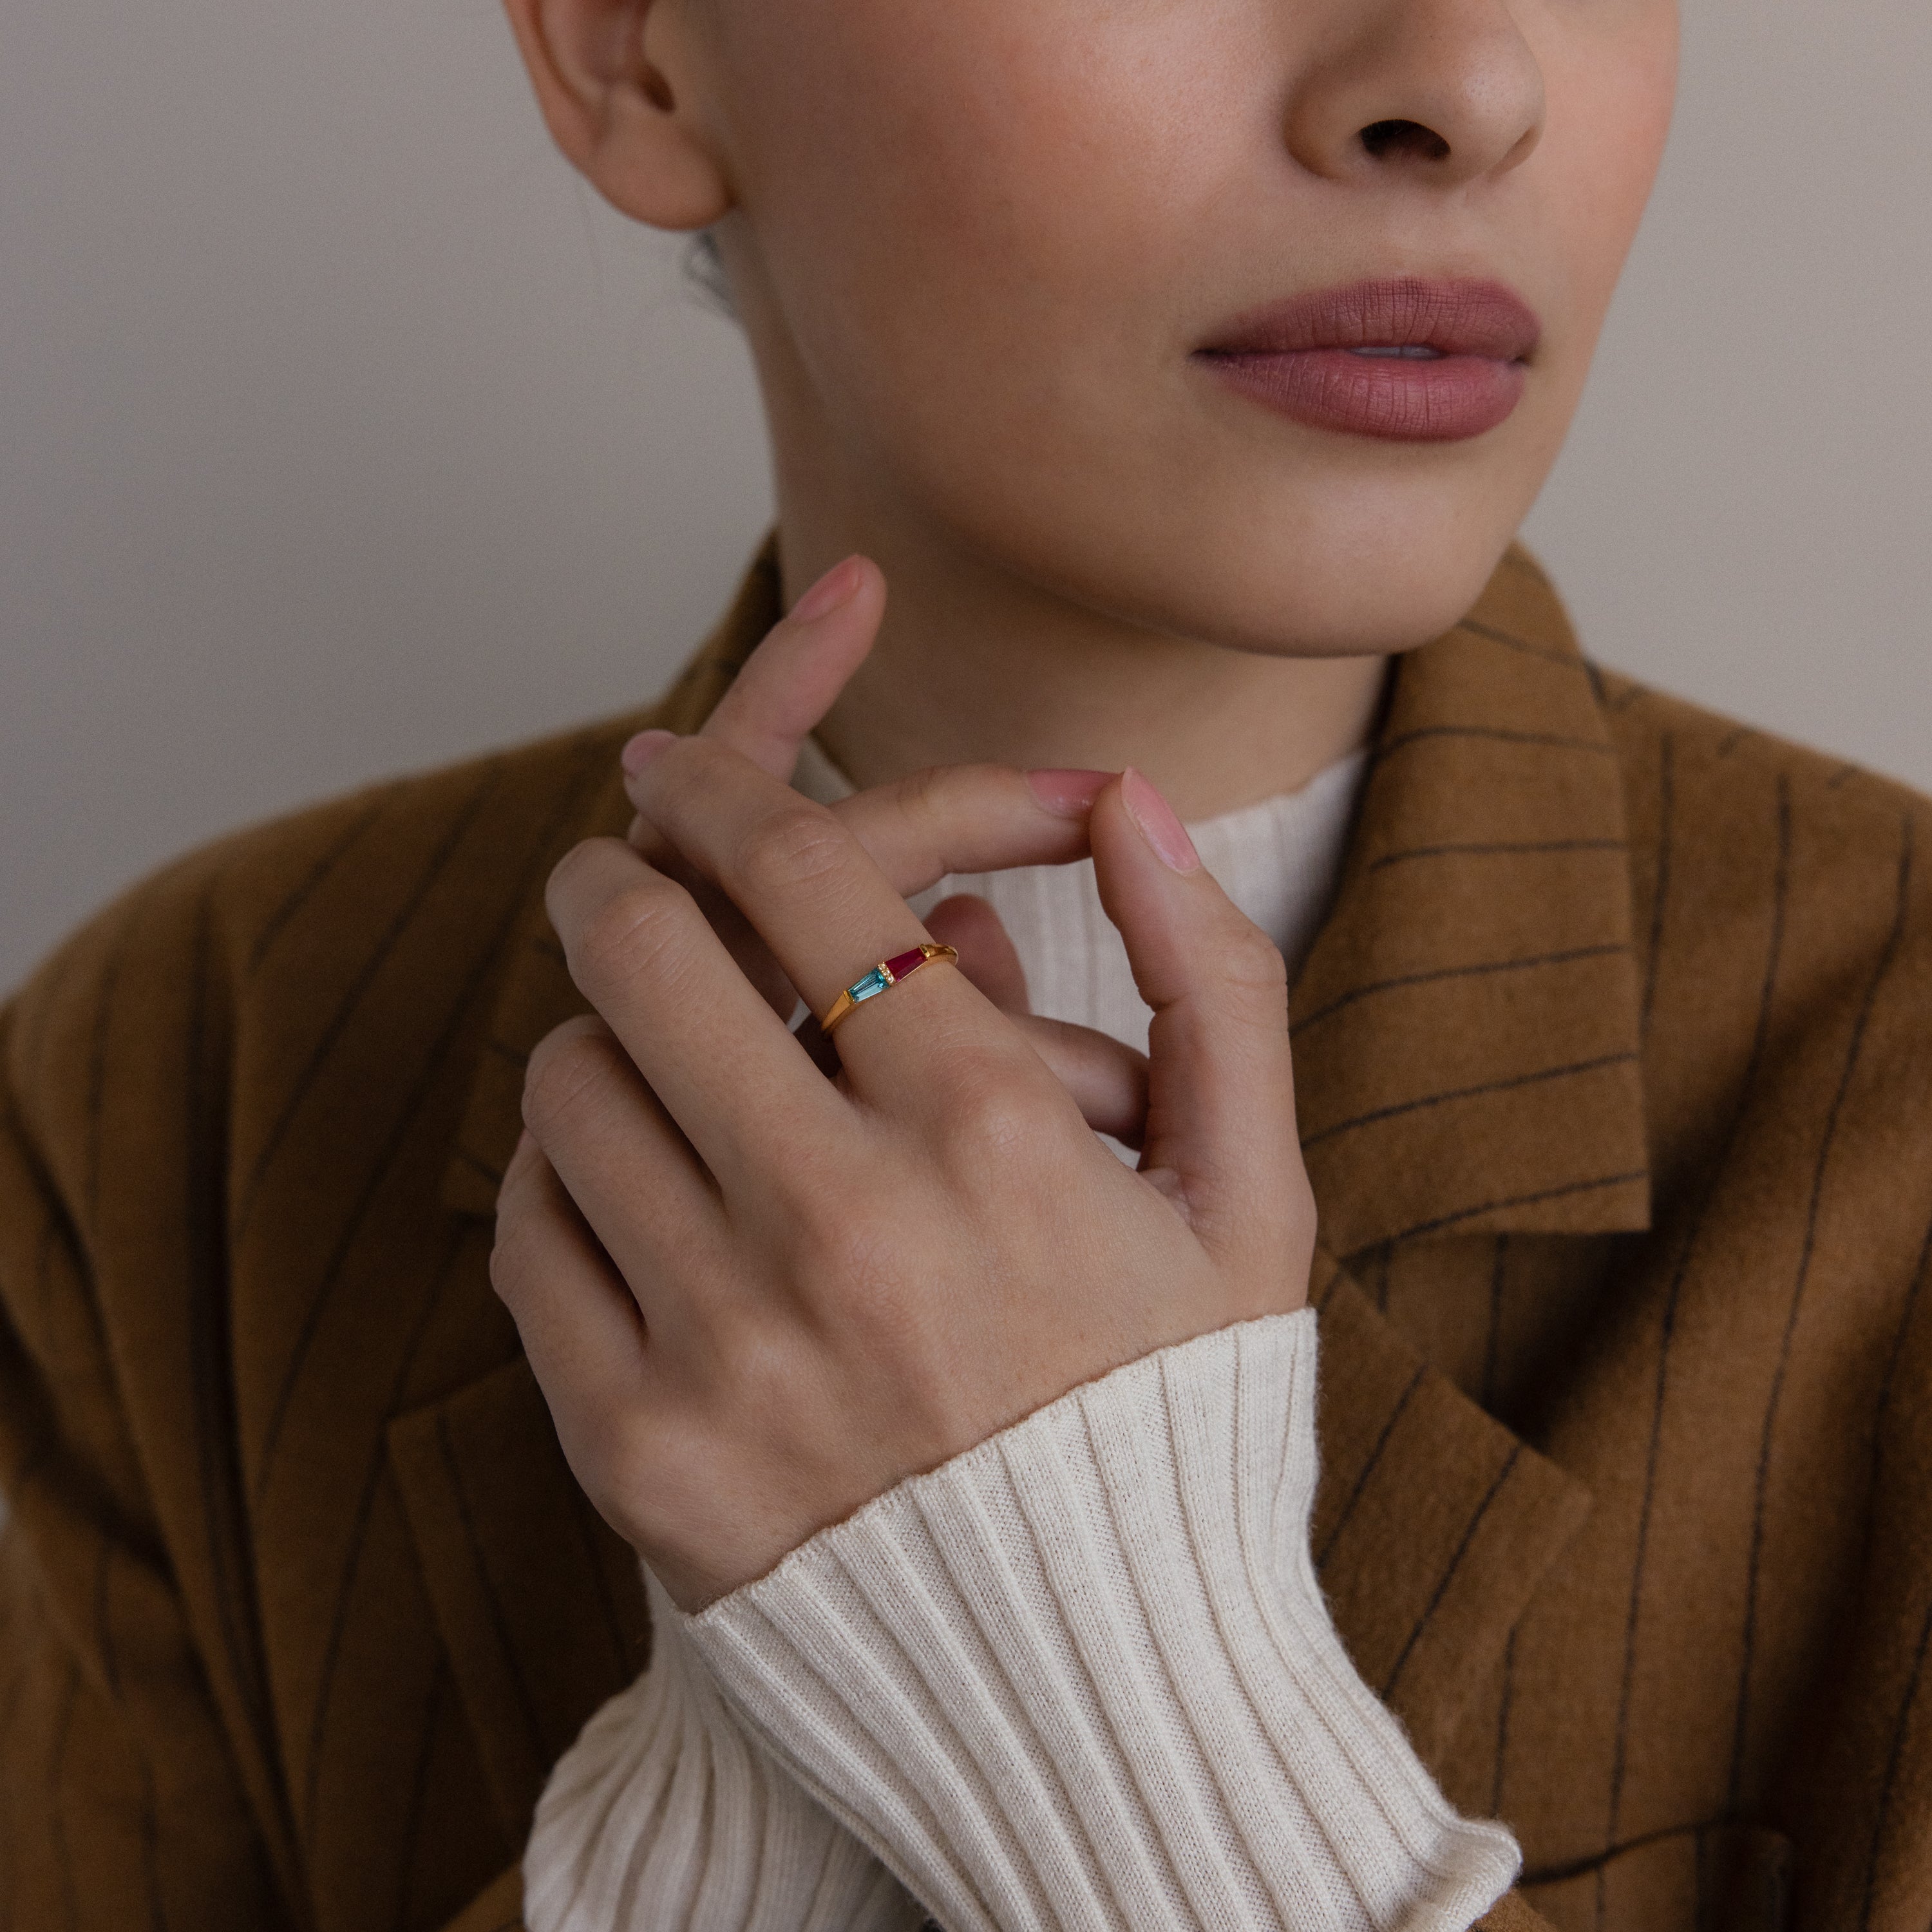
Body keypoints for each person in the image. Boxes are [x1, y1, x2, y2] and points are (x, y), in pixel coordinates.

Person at [1, 0, 1927, 1925]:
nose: (1464, 82)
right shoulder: (184, 1078)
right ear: (633, 53)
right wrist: (714, 1852)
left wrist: (1124, 1708)